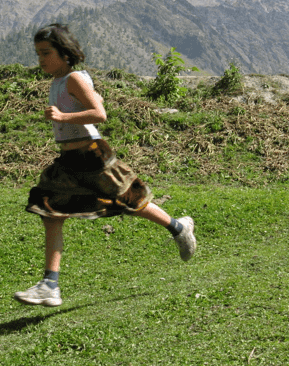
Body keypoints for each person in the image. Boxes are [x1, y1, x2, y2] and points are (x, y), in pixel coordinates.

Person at [13, 23, 196, 307]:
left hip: (93, 155)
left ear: (64, 53)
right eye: (37, 53)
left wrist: (62, 118)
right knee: (50, 210)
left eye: (46, 53)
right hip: (70, 160)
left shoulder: (74, 79)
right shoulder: (59, 81)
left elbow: (99, 114)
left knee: (129, 201)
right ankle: (50, 284)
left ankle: (178, 228)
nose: (41, 59)